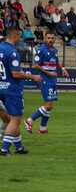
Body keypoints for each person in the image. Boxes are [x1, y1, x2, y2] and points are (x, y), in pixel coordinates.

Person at [0, 27, 42, 156]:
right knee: (16, 119)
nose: (21, 38)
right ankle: (4, 149)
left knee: (8, 119)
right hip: (11, 90)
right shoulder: (12, 51)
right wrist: (32, 76)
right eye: (20, 36)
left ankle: (19, 147)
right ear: (16, 35)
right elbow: (16, 73)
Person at [24, 31, 69, 134]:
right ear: (44, 39)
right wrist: (48, 73)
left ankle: (43, 128)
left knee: (50, 105)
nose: (50, 40)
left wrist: (63, 69)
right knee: (48, 105)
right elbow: (36, 65)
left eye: (52, 38)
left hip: (52, 79)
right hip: (45, 79)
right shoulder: (41, 50)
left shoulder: (54, 50)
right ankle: (30, 120)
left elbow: (56, 62)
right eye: (48, 38)